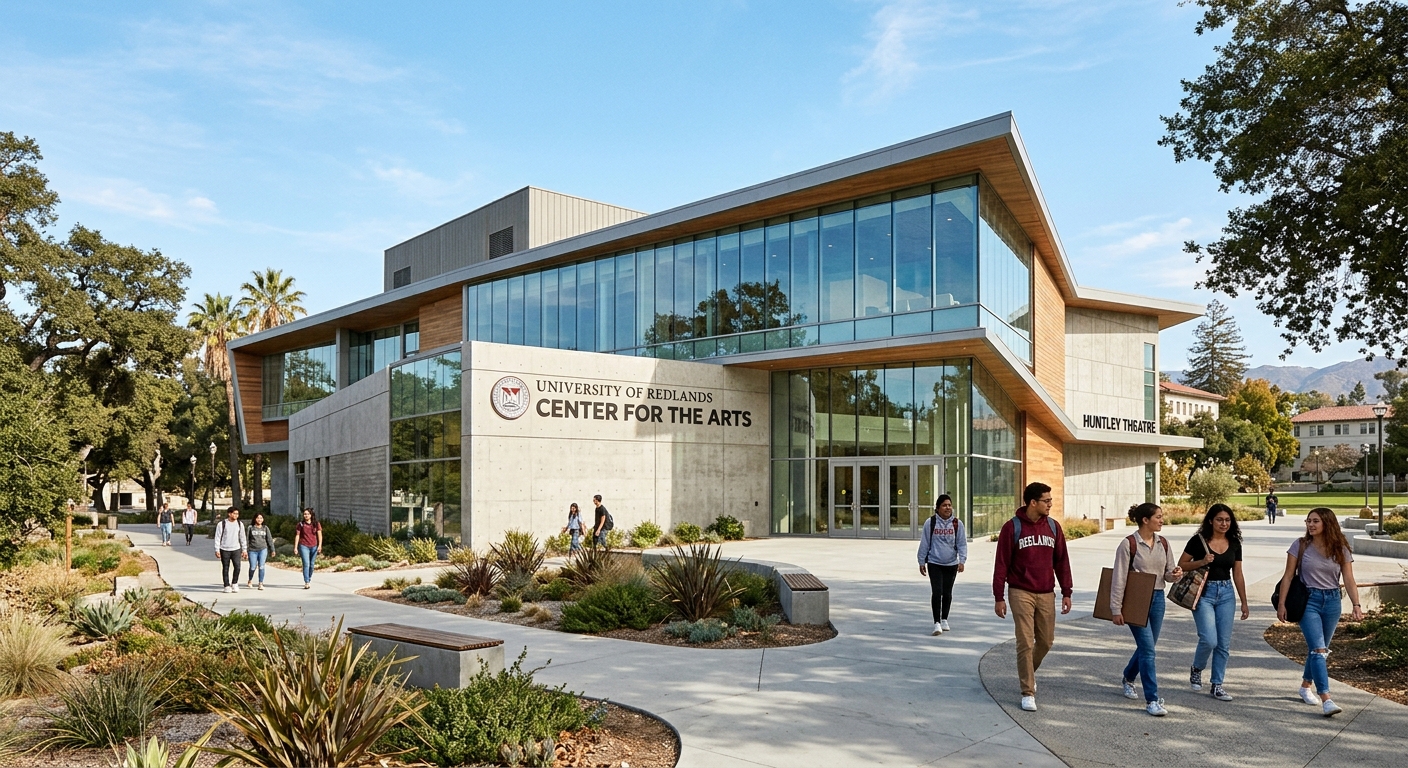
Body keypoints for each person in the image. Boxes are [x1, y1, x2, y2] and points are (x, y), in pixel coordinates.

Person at [992, 482, 1073, 712]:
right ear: (1033, 502)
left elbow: (1062, 561)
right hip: (1020, 591)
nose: (1050, 504)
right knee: (1025, 641)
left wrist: (1067, 591)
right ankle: (1027, 690)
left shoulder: (1054, 527)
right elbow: (1001, 564)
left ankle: (1027, 671)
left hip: (1047, 592)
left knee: (1046, 641)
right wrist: (999, 596)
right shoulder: (1012, 527)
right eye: (1046, 500)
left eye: (1051, 500)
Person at [1276, 507, 1363, 717]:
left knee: (1320, 649)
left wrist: (1356, 605)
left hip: (1333, 601)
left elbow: (1349, 579)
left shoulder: (1340, 548)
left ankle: (1305, 686)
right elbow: (1288, 576)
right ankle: (1327, 699)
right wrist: (1282, 604)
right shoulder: (1300, 545)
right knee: (1318, 650)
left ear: (1327, 523)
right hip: (1309, 602)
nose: (1310, 525)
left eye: (1315, 521)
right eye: (1308, 521)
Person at [1112, 503, 1183, 717]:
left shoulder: (1164, 543)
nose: (1162, 520)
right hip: (1136, 600)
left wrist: (1175, 575)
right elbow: (1119, 578)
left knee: (1148, 647)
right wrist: (1116, 608)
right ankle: (1152, 699)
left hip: (1158, 598)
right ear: (1145, 520)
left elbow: (1168, 574)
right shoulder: (1129, 544)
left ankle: (1128, 677)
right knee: (1149, 650)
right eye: (1158, 517)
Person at [1178, 503, 1250, 702]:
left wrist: (1244, 602)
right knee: (1210, 639)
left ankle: (1217, 684)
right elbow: (1181, 565)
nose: (1224, 523)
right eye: (1219, 519)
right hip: (1204, 593)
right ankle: (1197, 668)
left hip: (1226, 593)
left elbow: (1238, 573)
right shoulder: (1198, 541)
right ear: (1211, 521)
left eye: (1227, 520)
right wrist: (1202, 561)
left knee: (1223, 644)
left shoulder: (1234, 543)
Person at [918, 494, 967, 635]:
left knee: (947, 593)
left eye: (949, 505)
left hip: (951, 563)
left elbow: (962, 544)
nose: (947, 508)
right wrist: (921, 560)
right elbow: (925, 542)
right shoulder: (931, 523)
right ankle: (937, 623)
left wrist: (962, 560)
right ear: (938, 508)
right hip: (934, 562)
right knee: (937, 592)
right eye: (944, 505)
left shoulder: (957, 524)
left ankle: (944, 619)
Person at [213, 507, 247, 594]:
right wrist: (217, 549)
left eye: (237, 514)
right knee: (226, 568)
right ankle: (226, 585)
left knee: (237, 567)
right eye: (234, 513)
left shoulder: (240, 524)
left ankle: (234, 583)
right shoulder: (222, 524)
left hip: (236, 548)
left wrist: (244, 549)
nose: (236, 515)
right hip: (224, 549)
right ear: (229, 514)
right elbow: (218, 537)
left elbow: (242, 537)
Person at [295, 508, 323, 589]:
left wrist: (320, 545)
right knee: (306, 564)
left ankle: (309, 578)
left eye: (307, 514)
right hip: (304, 546)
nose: (306, 515)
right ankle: (306, 581)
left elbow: (319, 535)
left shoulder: (316, 524)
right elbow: (297, 535)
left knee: (312, 565)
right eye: (304, 514)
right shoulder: (300, 524)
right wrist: (296, 547)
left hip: (314, 546)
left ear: (311, 515)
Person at [246, 512, 272, 591]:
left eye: (261, 518)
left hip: (263, 549)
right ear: (254, 519)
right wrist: (245, 550)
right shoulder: (250, 528)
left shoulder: (265, 528)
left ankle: (260, 583)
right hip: (252, 550)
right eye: (258, 518)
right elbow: (247, 539)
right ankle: (250, 580)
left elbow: (269, 539)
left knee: (261, 566)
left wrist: (272, 549)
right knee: (253, 567)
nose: (259, 520)